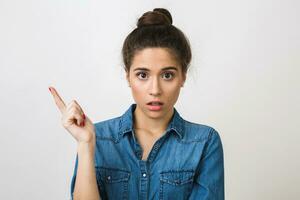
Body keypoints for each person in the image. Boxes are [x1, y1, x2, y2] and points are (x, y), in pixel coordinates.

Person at [49, 8, 224, 200]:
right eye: (143, 75)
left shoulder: (204, 142)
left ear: (183, 76)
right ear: (128, 76)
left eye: (167, 75)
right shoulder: (97, 138)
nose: (155, 89)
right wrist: (85, 144)